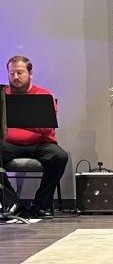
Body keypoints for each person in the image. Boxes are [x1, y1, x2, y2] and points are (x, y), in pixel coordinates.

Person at [1, 56, 68, 218]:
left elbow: (46, 128)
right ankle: (12, 202)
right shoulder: (3, 95)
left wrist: (15, 122)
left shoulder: (44, 95)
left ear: (30, 73)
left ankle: (40, 205)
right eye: (12, 73)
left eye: (20, 73)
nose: (16, 77)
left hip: (41, 144)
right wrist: (30, 123)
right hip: (9, 144)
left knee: (59, 157)